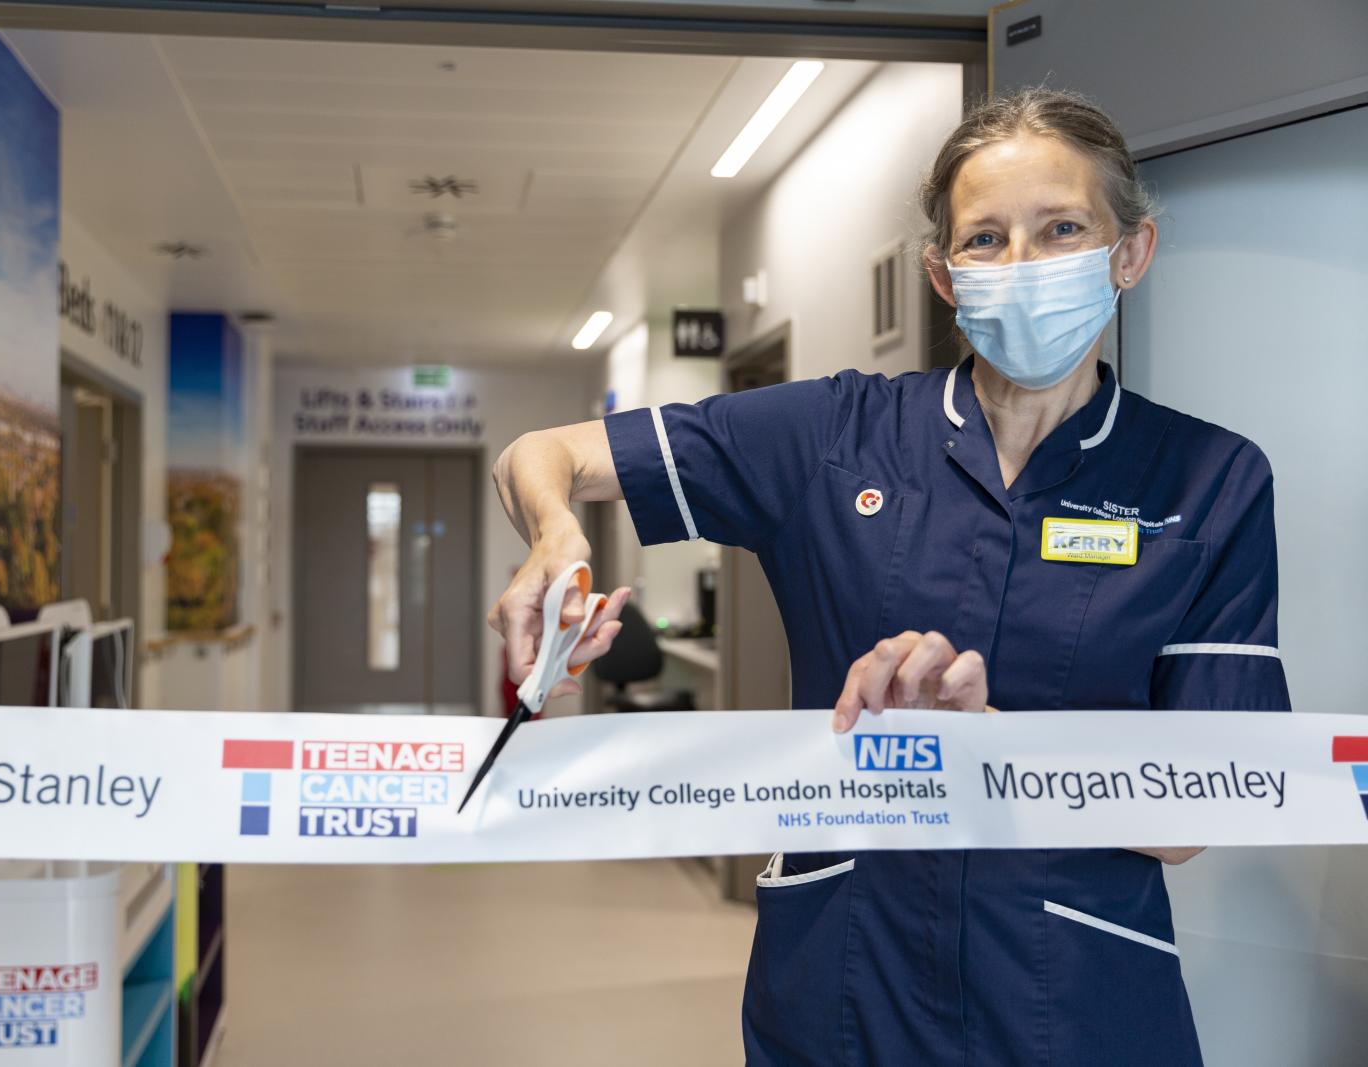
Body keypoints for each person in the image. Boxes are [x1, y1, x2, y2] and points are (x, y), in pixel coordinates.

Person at [487, 87, 1287, 1065]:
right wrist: (554, 536)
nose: (1021, 264)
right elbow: (541, 452)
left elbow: (1202, 806)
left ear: (1129, 252)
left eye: (1061, 228)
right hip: (844, 976)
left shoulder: (1208, 477)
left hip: (1073, 995)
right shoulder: (834, 435)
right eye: (984, 239)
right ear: (942, 275)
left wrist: (990, 748)